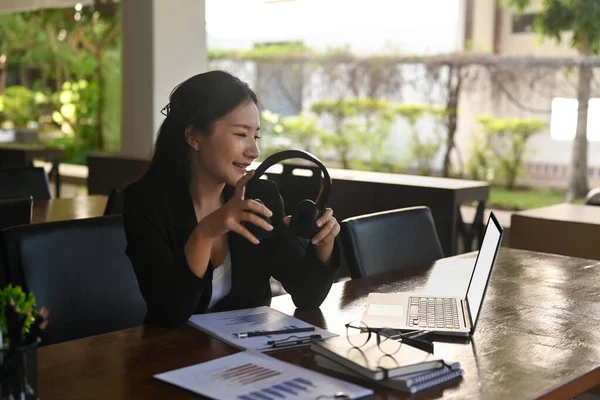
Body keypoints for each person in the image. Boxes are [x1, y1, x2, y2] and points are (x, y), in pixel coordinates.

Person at [122, 70, 341, 328]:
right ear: (194, 136)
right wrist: (204, 233)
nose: (254, 151)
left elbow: (307, 296)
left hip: (247, 354)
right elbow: (170, 314)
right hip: (174, 356)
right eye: (240, 134)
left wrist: (323, 245)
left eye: (256, 136)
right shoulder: (146, 203)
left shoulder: (261, 196)